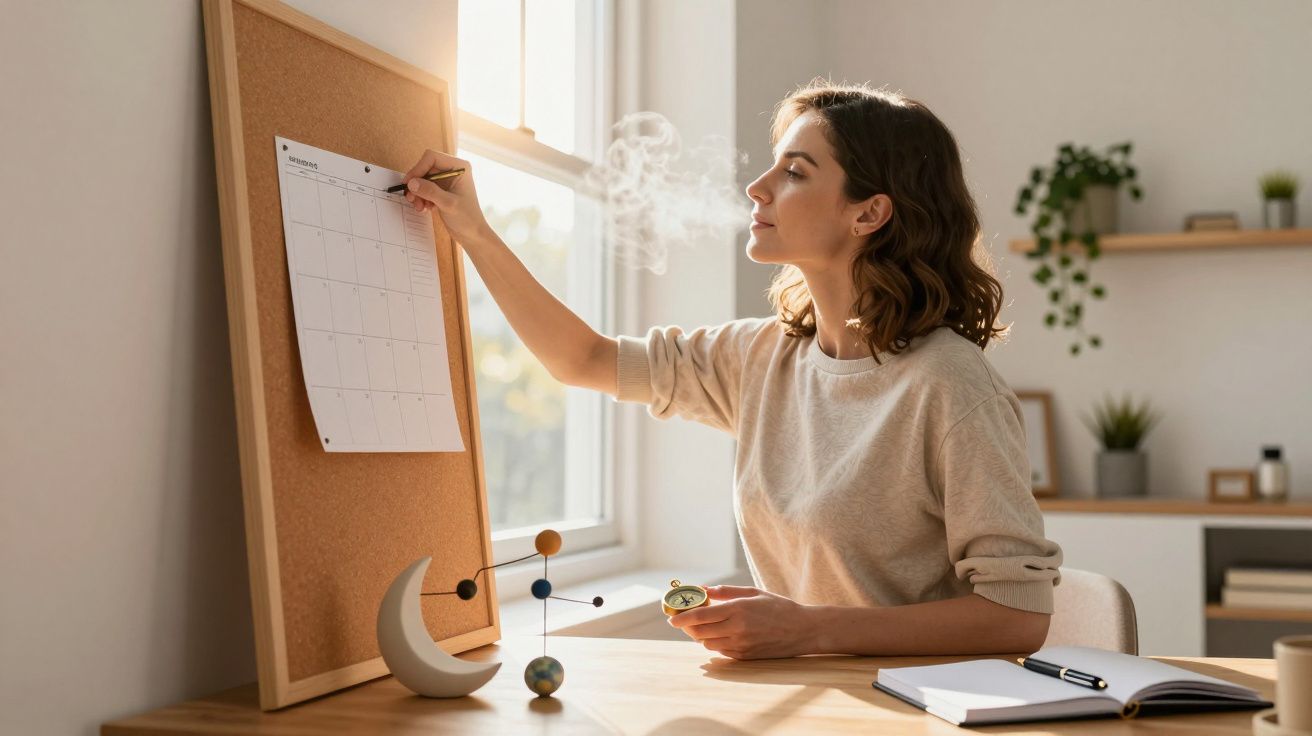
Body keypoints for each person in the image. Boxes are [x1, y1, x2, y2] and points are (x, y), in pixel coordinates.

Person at [401, 80, 1062, 660]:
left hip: (919, 712)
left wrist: (807, 629)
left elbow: (1017, 617)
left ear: (868, 212)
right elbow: (584, 360)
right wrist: (473, 230)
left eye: (796, 172)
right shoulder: (760, 358)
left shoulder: (950, 384)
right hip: (809, 698)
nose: (757, 188)